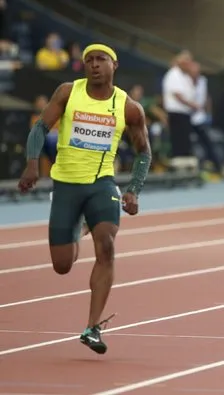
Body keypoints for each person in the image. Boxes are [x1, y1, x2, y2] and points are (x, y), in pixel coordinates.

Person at [17, 43, 152, 355]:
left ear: (113, 65)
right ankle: (80, 228)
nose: (94, 65)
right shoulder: (68, 92)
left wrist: (133, 189)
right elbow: (39, 128)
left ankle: (92, 327)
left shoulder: (128, 107)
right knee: (62, 265)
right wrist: (32, 163)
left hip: (102, 183)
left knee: (107, 246)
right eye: (89, 60)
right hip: (65, 184)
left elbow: (143, 151)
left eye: (100, 60)